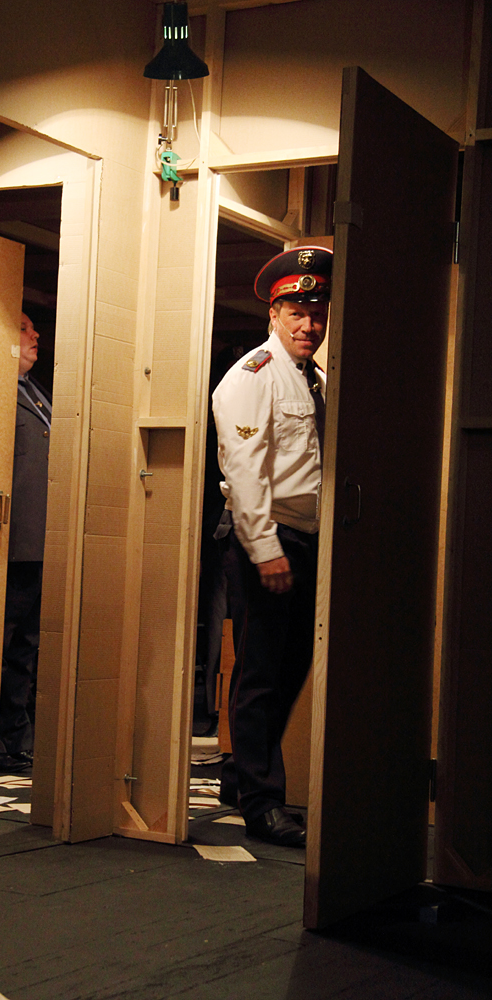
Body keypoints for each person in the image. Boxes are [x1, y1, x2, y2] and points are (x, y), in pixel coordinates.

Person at [212, 246, 332, 847]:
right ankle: (262, 802)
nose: (308, 324)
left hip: (307, 539)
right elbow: (245, 469)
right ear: (274, 315)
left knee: (292, 666)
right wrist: (265, 549)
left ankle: (242, 774)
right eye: (296, 313)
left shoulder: (316, 379)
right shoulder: (252, 376)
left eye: (316, 313)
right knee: (260, 671)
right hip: (267, 536)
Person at [0, 313, 51, 773]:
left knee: (25, 646)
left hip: (40, 541)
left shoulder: (35, 392)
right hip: (9, 543)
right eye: (23, 327)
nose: (35, 335)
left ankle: (17, 739)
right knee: (3, 640)